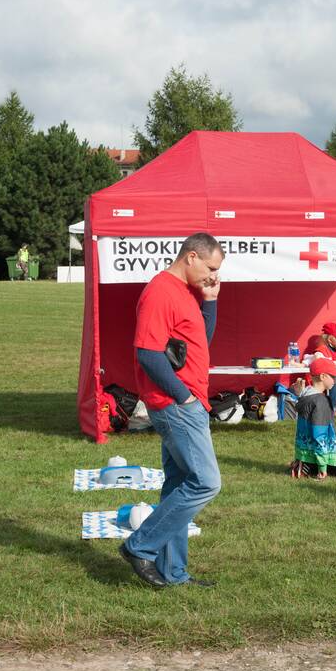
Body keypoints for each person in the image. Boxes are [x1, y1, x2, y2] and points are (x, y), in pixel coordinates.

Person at [119, 233, 224, 589]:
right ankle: (140, 546)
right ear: (191, 257)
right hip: (176, 403)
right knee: (206, 483)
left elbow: (200, 342)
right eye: (210, 268)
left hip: (187, 400)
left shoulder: (185, 293)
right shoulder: (161, 291)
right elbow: (147, 353)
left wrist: (209, 301)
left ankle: (173, 573)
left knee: (180, 485)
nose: (213, 275)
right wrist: (183, 396)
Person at [290, 357, 336, 480]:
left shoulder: (306, 395)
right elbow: (319, 436)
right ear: (323, 376)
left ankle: (305, 466)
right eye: (333, 377)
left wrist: (299, 393)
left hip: (306, 454)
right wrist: (323, 467)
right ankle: (312, 468)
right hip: (323, 456)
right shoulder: (321, 401)